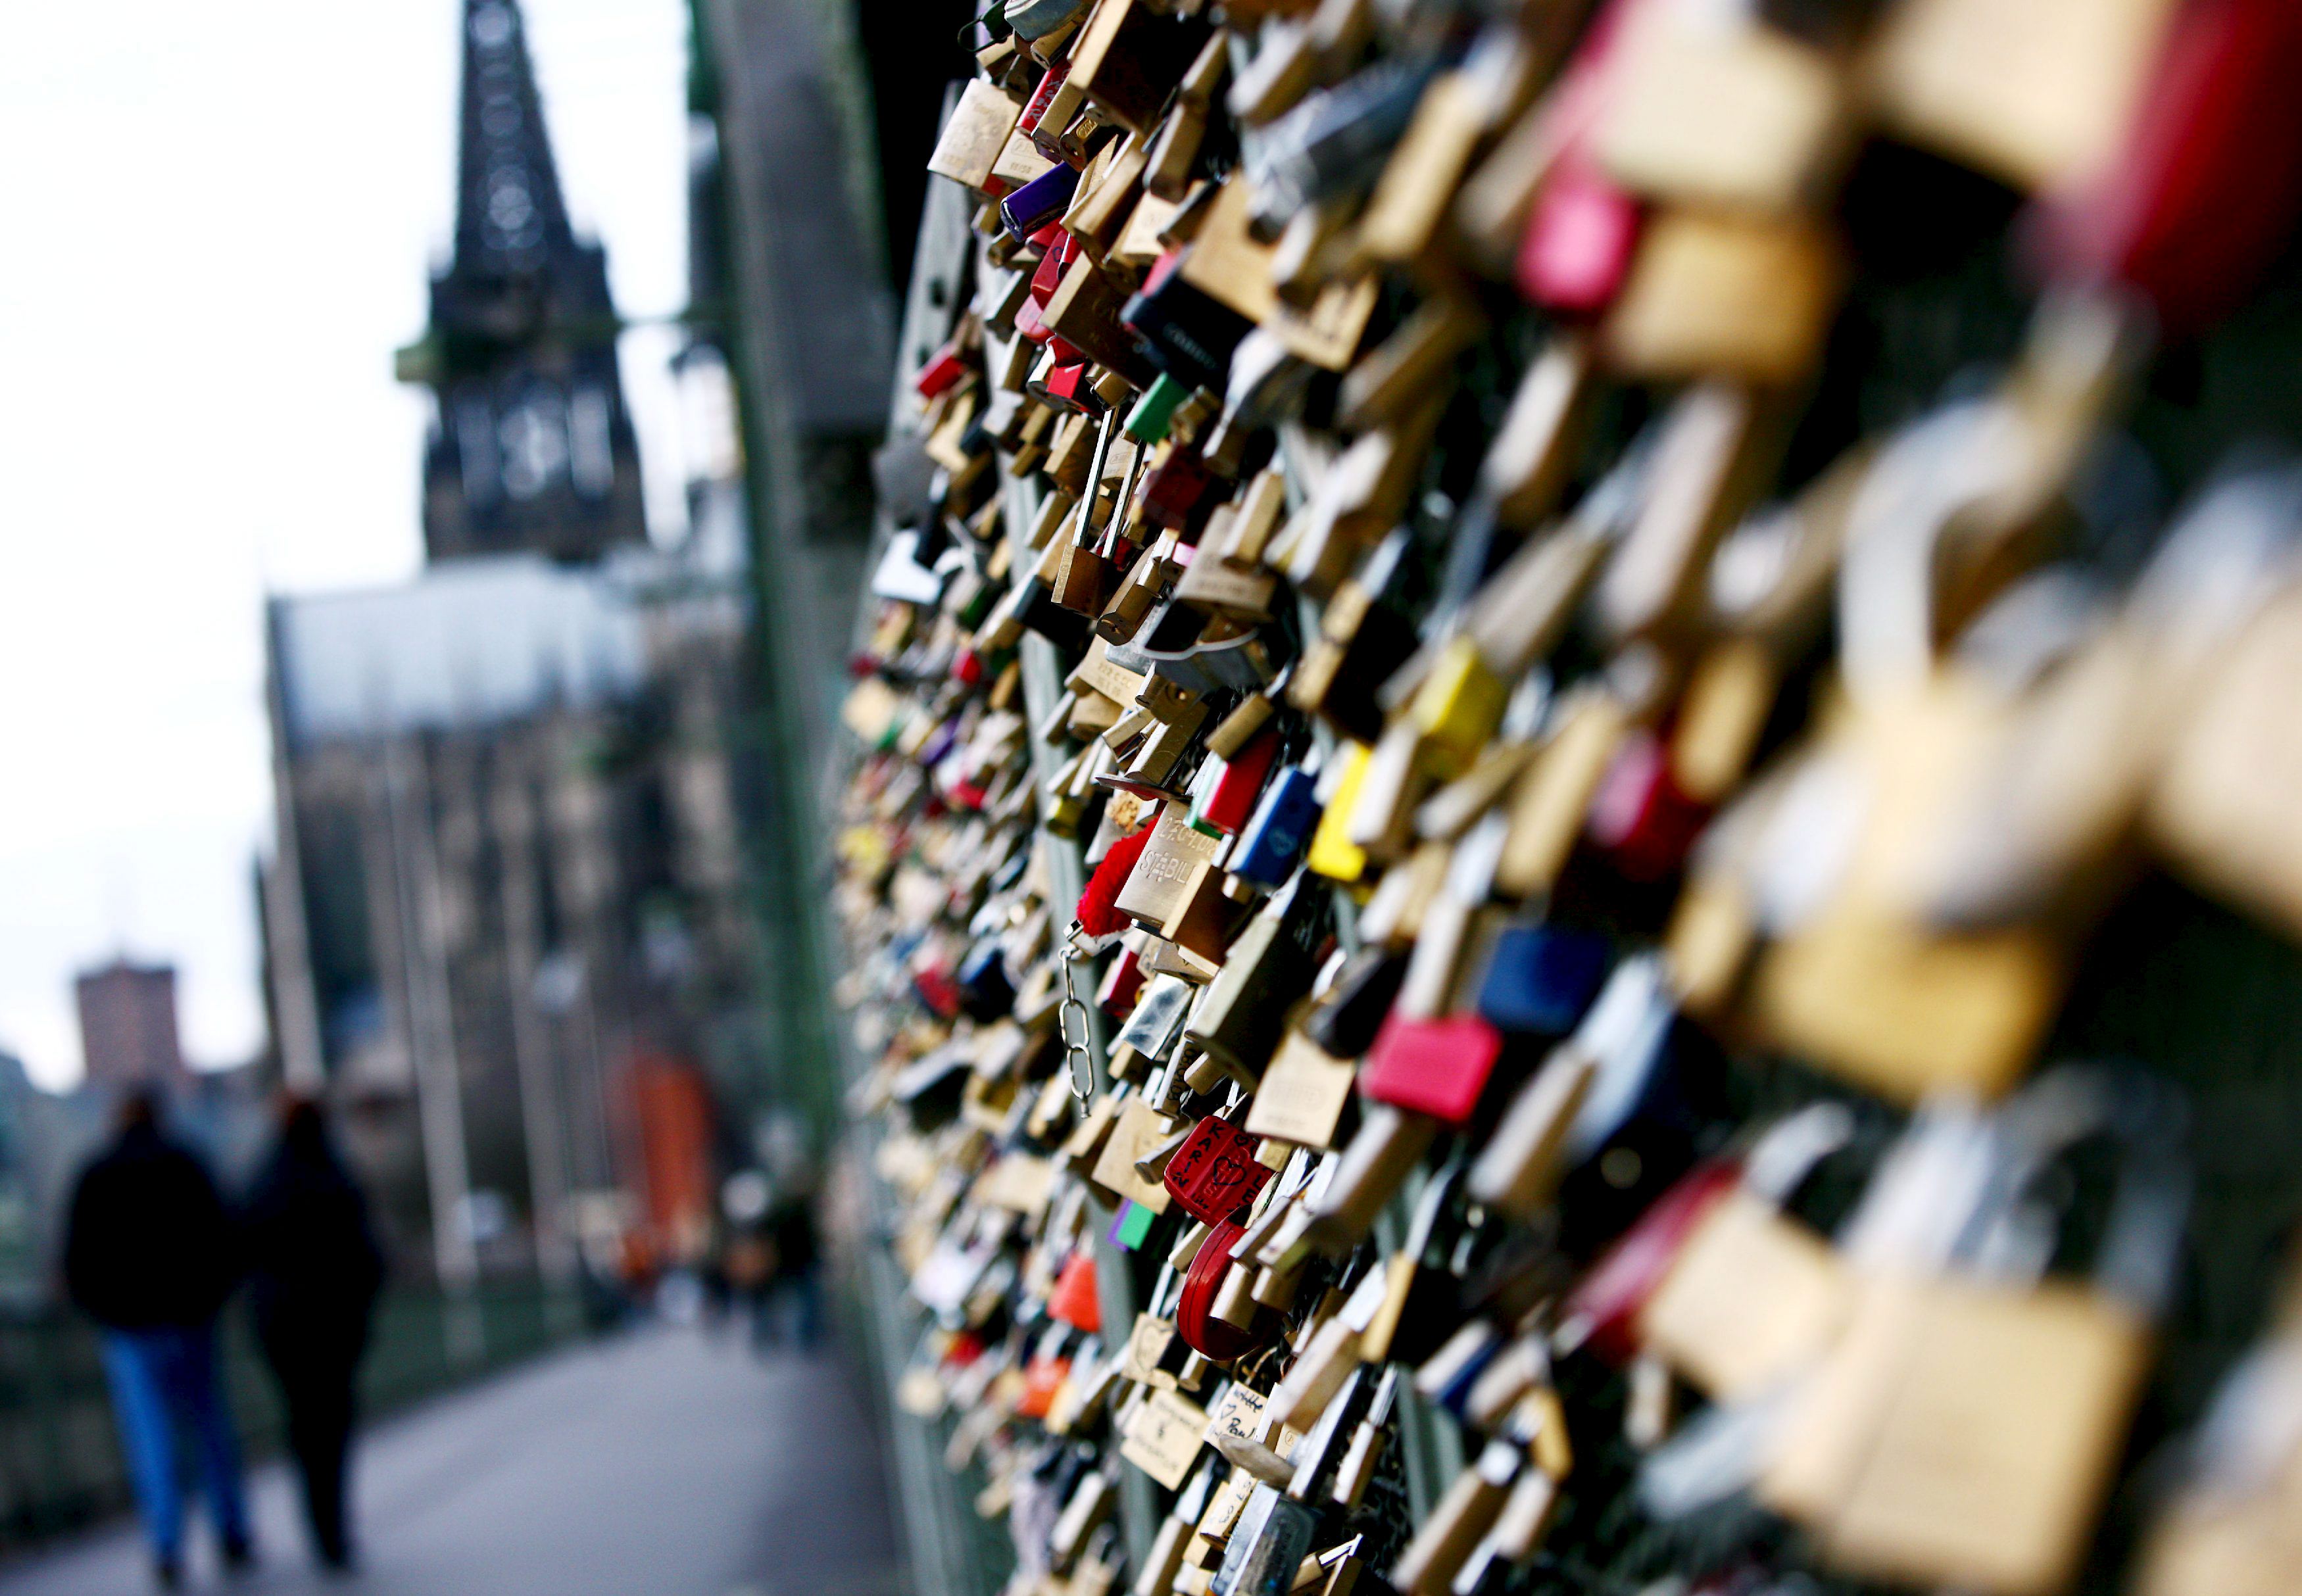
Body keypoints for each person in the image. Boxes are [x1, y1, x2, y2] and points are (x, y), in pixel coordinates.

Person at [62, 1090, 251, 1589]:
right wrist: (208, 1300)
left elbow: (76, 1258)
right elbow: (228, 1237)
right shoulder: (187, 1163)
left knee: (151, 1436)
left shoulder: (97, 1172)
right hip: (191, 1321)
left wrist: (106, 1310)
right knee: (211, 1428)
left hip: (129, 1328)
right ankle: (231, 1532)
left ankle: (167, 1546)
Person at [243, 1096, 385, 1574]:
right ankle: (333, 1530)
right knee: (333, 1425)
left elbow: (240, 1248)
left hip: (282, 1328)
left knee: (302, 1423)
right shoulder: (338, 1177)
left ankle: (318, 1524)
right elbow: (369, 1255)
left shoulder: (264, 1179)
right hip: (335, 1326)